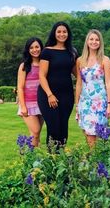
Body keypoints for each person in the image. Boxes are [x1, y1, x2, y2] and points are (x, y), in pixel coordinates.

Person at [38, 22, 77, 150]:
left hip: (67, 96)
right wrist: (50, 94)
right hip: (48, 95)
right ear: (54, 33)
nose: (62, 34)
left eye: (64, 31)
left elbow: (77, 73)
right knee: (53, 127)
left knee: (63, 128)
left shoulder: (72, 52)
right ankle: (52, 159)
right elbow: (42, 75)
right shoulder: (47, 52)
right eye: (59, 31)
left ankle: (61, 160)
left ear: (68, 34)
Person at [75, 29, 110, 147]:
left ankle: (97, 162)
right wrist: (77, 104)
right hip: (85, 102)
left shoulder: (105, 60)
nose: (94, 42)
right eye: (91, 39)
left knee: (98, 135)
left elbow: (109, 83)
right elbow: (79, 83)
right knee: (88, 135)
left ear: (100, 42)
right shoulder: (80, 60)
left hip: (99, 102)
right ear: (87, 41)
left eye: (97, 40)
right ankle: (93, 162)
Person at [17, 37, 44, 147]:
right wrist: (23, 106)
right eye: (31, 48)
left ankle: (33, 159)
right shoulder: (24, 66)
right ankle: (32, 157)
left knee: (35, 134)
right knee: (36, 131)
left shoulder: (44, 64)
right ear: (28, 50)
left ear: (41, 48)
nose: (35, 50)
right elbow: (20, 87)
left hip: (42, 103)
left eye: (37, 47)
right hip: (28, 104)